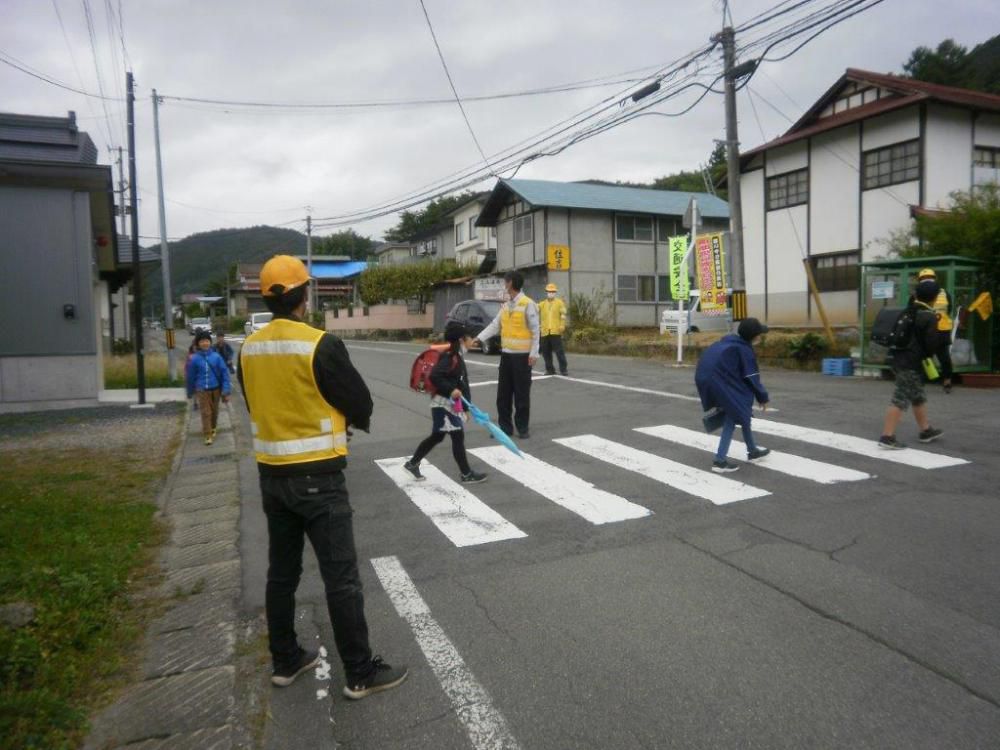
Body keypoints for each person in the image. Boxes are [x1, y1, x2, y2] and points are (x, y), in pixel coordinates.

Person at [237, 254, 407, 700]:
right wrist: (344, 420)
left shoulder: (247, 349)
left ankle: (286, 659)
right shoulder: (320, 344)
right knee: (341, 577)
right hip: (319, 479)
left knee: (282, 573)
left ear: (267, 298)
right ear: (303, 295)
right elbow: (361, 403)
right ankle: (359, 672)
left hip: (272, 476)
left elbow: (256, 406)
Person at [403, 322, 488, 484]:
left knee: (437, 436)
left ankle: (412, 463)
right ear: (462, 339)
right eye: (470, 337)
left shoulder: (456, 355)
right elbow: (435, 376)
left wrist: (464, 408)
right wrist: (451, 390)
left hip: (447, 405)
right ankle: (466, 474)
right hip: (443, 405)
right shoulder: (451, 357)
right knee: (457, 437)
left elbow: (462, 385)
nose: (473, 340)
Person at [695, 318, 771, 473]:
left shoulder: (729, 343)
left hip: (709, 379)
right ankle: (719, 461)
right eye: (759, 334)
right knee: (732, 416)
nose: (760, 337)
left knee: (742, 413)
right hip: (721, 383)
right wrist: (762, 397)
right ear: (754, 336)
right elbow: (751, 376)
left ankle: (753, 451)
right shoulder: (744, 350)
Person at [879, 281, 944, 449]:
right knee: (900, 398)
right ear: (935, 298)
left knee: (917, 396)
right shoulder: (928, 316)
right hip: (912, 362)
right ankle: (887, 437)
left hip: (898, 358)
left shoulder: (908, 310)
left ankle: (926, 430)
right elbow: (931, 346)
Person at [475, 271, 540, 439]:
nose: (504, 284)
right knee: (503, 395)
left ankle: (522, 427)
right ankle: (505, 428)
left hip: (522, 357)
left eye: (505, 281)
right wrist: (478, 339)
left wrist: (534, 353)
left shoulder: (528, 304)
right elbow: (495, 325)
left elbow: (535, 330)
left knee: (521, 395)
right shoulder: (505, 305)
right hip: (506, 356)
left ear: (510, 283)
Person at [186, 330, 231, 445]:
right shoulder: (194, 358)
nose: (204, 343)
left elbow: (224, 373)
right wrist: (190, 391)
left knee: (214, 411)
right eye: (202, 341)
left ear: (210, 342)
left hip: (216, 389)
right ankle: (207, 434)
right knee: (206, 412)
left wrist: (225, 390)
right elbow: (190, 376)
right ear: (198, 344)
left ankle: (213, 427)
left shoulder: (216, 357)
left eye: (206, 341)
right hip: (201, 390)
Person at [915, 268, 954, 393]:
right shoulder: (945, 293)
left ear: (920, 280)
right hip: (942, 328)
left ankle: (920, 381)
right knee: (944, 356)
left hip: (923, 329)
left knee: (922, 355)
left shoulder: (917, 293)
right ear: (935, 278)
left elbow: (912, 310)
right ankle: (947, 381)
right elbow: (949, 309)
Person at [538, 282, 569, 376]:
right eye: (549, 291)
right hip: (544, 331)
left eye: (552, 291)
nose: (551, 293)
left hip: (556, 331)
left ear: (555, 292)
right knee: (545, 352)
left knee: (559, 352)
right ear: (546, 292)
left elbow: (563, 315)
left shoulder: (560, 303)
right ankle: (550, 369)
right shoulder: (542, 304)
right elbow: (533, 310)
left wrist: (562, 325)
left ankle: (563, 369)